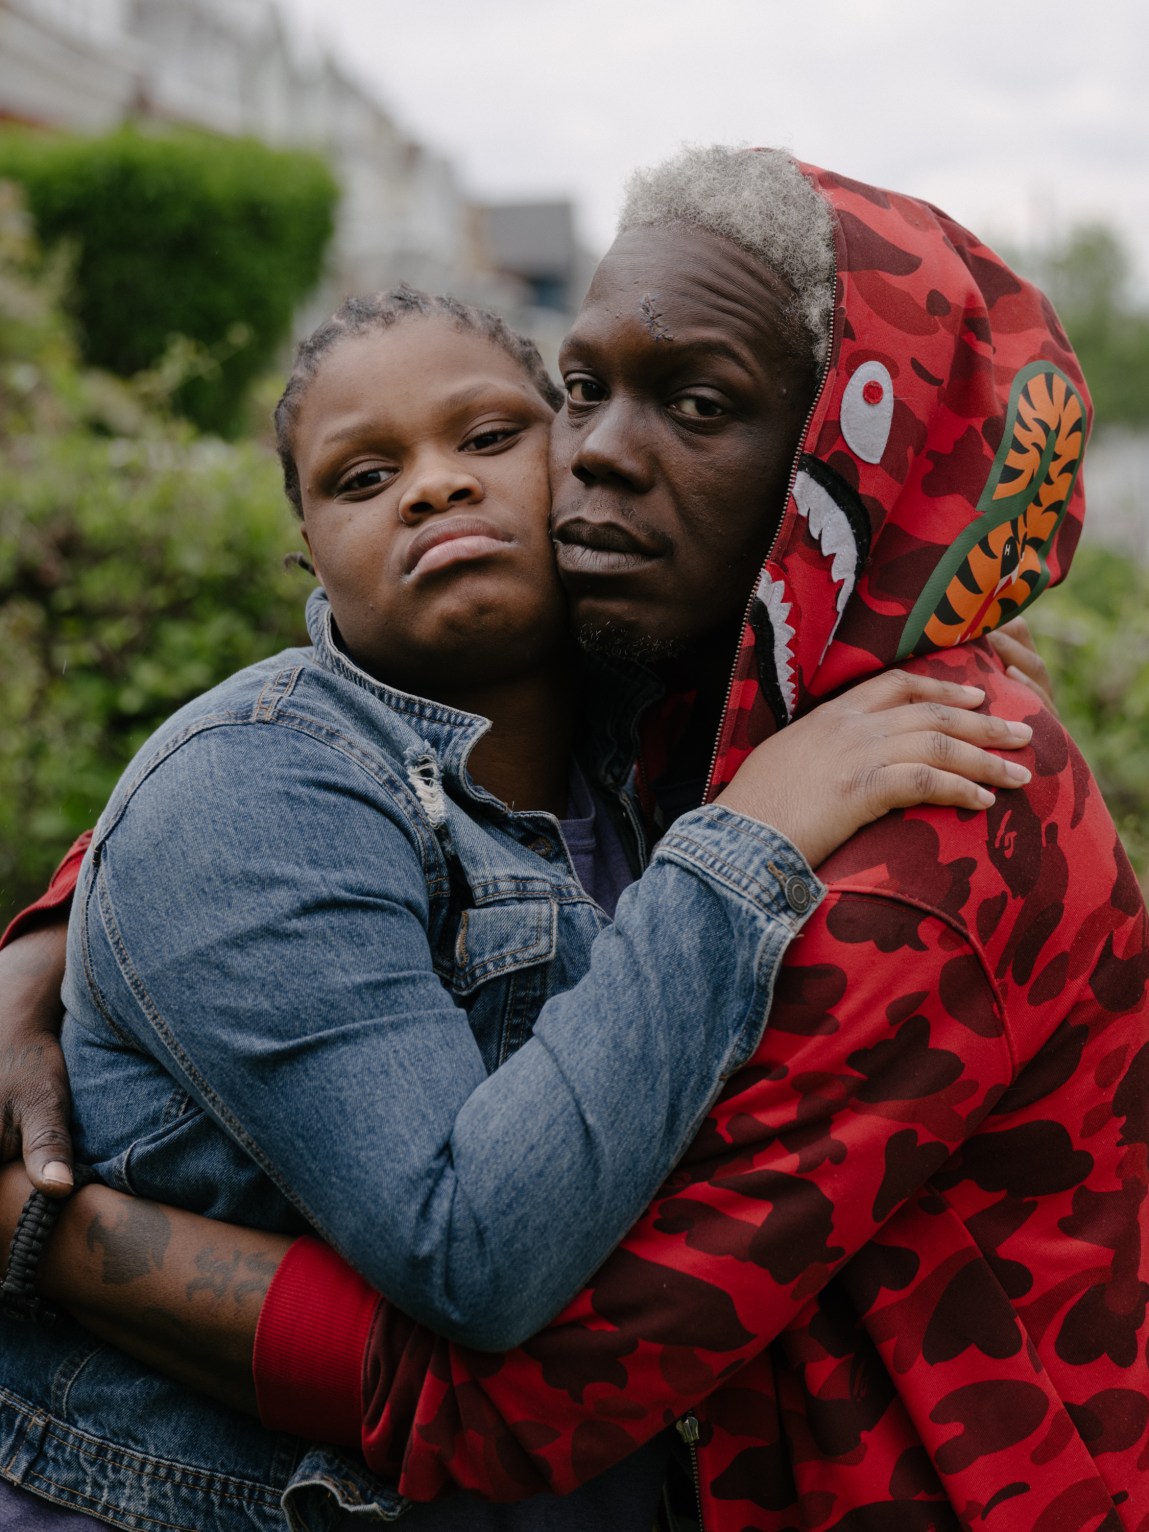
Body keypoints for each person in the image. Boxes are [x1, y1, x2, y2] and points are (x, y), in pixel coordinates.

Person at [2, 141, 1143, 1531]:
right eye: (584, 391)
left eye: (696, 402)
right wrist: (71, 929)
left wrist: (45, 1237)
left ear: (858, 464)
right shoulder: (697, 701)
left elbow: (512, 1390)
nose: (598, 451)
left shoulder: (922, 825)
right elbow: (300, 777)